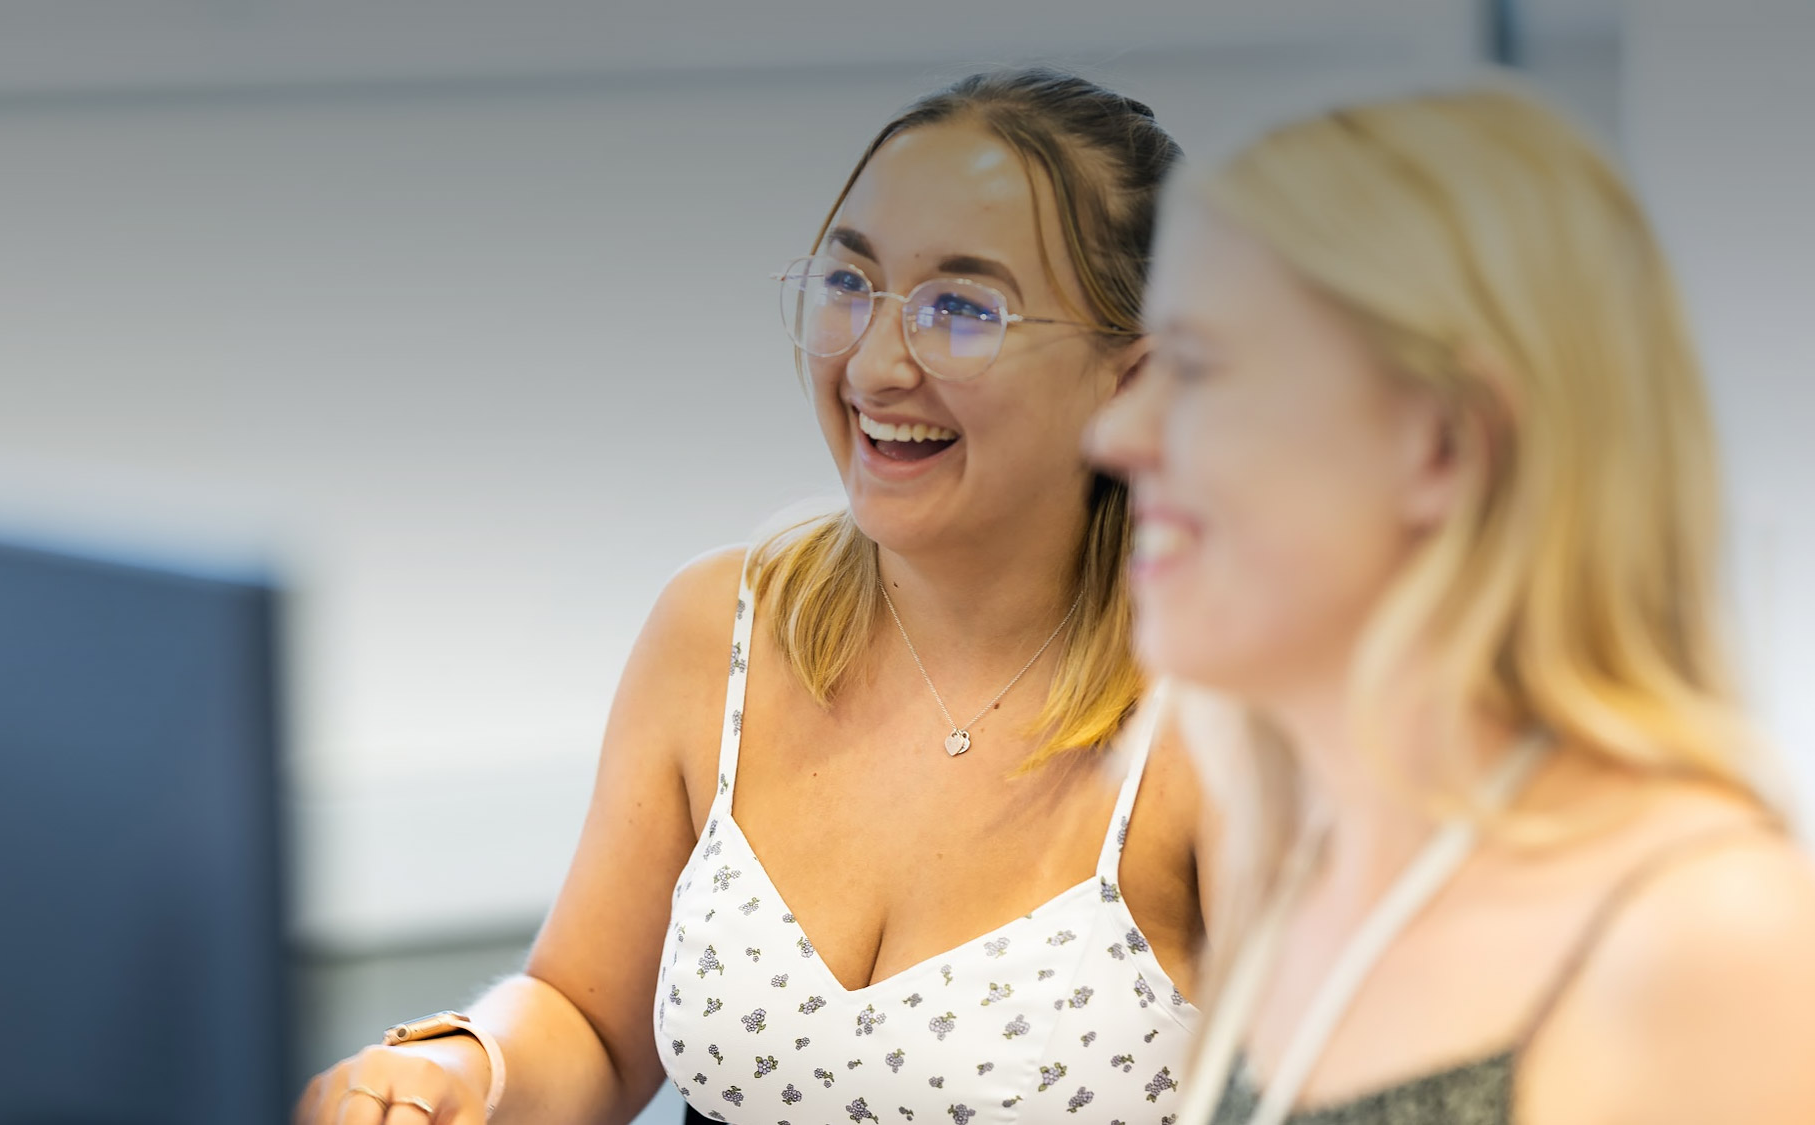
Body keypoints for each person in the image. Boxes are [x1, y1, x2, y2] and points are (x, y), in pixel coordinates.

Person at [298, 67, 1210, 1125]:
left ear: (1132, 378)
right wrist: (465, 1068)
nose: (873, 364)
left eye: (960, 309)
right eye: (849, 284)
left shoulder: (1224, 722)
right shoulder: (719, 628)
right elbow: (587, 1019)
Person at [1086, 83, 1815, 1125]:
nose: (1114, 440)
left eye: (1196, 370)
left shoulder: (1701, 933)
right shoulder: (1304, 867)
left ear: (1443, 442)